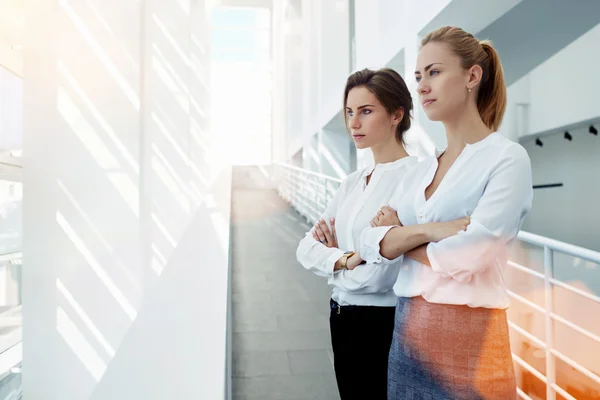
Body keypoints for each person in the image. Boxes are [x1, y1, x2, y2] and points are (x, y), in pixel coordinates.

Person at [360, 26, 533, 399]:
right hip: (406, 335)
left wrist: (403, 238)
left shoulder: (506, 158)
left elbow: (472, 254)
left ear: (472, 75)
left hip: (471, 342)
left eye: (434, 72)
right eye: (419, 76)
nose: (421, 86)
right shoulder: (423, 168)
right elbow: (371, 240)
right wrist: (435, 231)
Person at [296, 68, 470, 400]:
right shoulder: (351, 182)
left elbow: (379, 279)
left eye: (366, 111)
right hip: (340, 317)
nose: (353, 123)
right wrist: (350, 258)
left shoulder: (417, 176)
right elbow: (305, 247)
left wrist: (334, 263)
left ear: (396, 114)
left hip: (381, 325)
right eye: (349, 112)